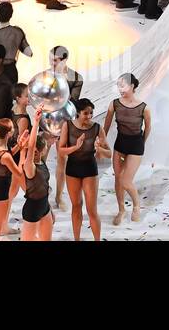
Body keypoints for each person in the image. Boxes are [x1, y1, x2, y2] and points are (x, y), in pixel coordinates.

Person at [102, 73, 150, 224]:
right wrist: (102, 142)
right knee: (118, 178)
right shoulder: (114, 104)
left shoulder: (144, 108)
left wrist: (141, 142)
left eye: (122, 85)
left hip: (136, 145)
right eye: (118, 86)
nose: (120, 89)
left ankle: (136, 205)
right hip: (120, 144)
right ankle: (121, 210)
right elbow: (107, 126)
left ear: (132, 86)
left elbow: (148, 128)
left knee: (126, 181)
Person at [58, 98, 106, 241]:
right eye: (86, 113)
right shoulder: (67, 126)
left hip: (90, 169)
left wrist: (100, 149)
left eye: (91, 113)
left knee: (92, 210)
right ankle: (77, 239)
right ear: (78, 113)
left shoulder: (97, 128)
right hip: (72, 169)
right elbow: (61, 150)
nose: (90, 116)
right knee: (76, 206)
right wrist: (75, 147)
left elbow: (109, 152)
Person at [20, 112, 54, 241]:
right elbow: (32, 144)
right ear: (43, 149)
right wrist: (36, 122)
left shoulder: (41, 161)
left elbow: (44, 186)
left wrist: (50, 208)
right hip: (32, 210)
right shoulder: (30, 166)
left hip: (44, 206)